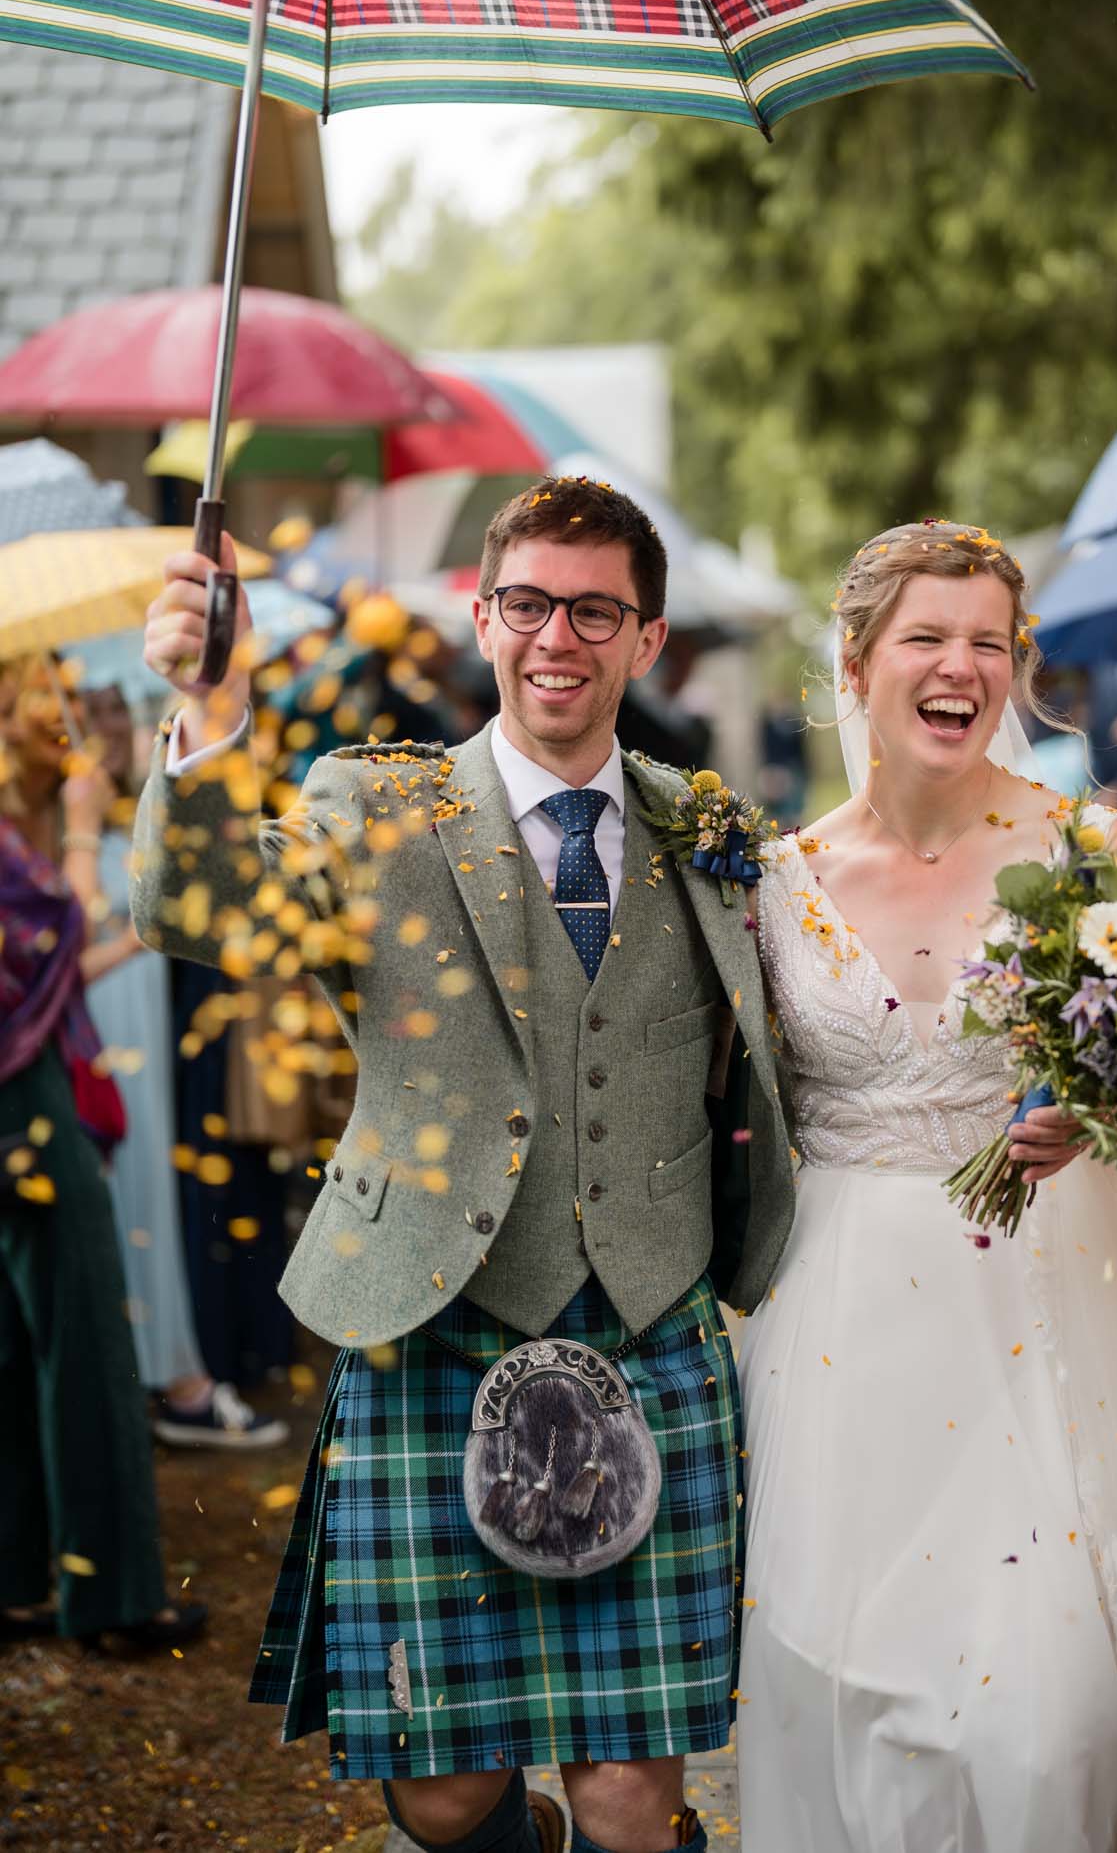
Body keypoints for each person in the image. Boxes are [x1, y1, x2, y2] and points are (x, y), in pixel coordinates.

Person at [133, 478, 795, 1853]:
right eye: (532, 604)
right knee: (445, 1795)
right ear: (484, 619)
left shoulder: (710, 829)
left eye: (596, 610)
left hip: (654, 1318)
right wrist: (211, 714)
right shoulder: (376, 807)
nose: (561, 637)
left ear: (649, 639)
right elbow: (195, 906)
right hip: (432, 1310)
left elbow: (819, 1033)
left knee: (629, 1792)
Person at [736, 522, 1117, 1853]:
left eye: (989, 641)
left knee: (1054, 1714)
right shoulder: (777, 879)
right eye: (928, 637)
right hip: (840, 1325)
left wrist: (1099, 1109)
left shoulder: (1089, 846)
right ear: (860, 663)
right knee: (850, 1681)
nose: (962, 665)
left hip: (1041, 1316)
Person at [0, 657, 205, 1649]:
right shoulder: (14, 840)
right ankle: (117, 1597)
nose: (69, 723)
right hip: (20, 1103)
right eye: (47, 704)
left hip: (21, 1089)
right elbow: (49, 943)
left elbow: (57, 962)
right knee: (84, 1333)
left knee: (13, 1341)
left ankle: (17, 1575)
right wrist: (83, 823)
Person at [82, 682, 288, 1447]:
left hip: (156, 1014)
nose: (104, 724)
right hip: (103, 1022)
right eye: (95, 710)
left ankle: (172, 1364)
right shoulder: (68, 821)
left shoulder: (120, 802)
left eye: (113, 711)